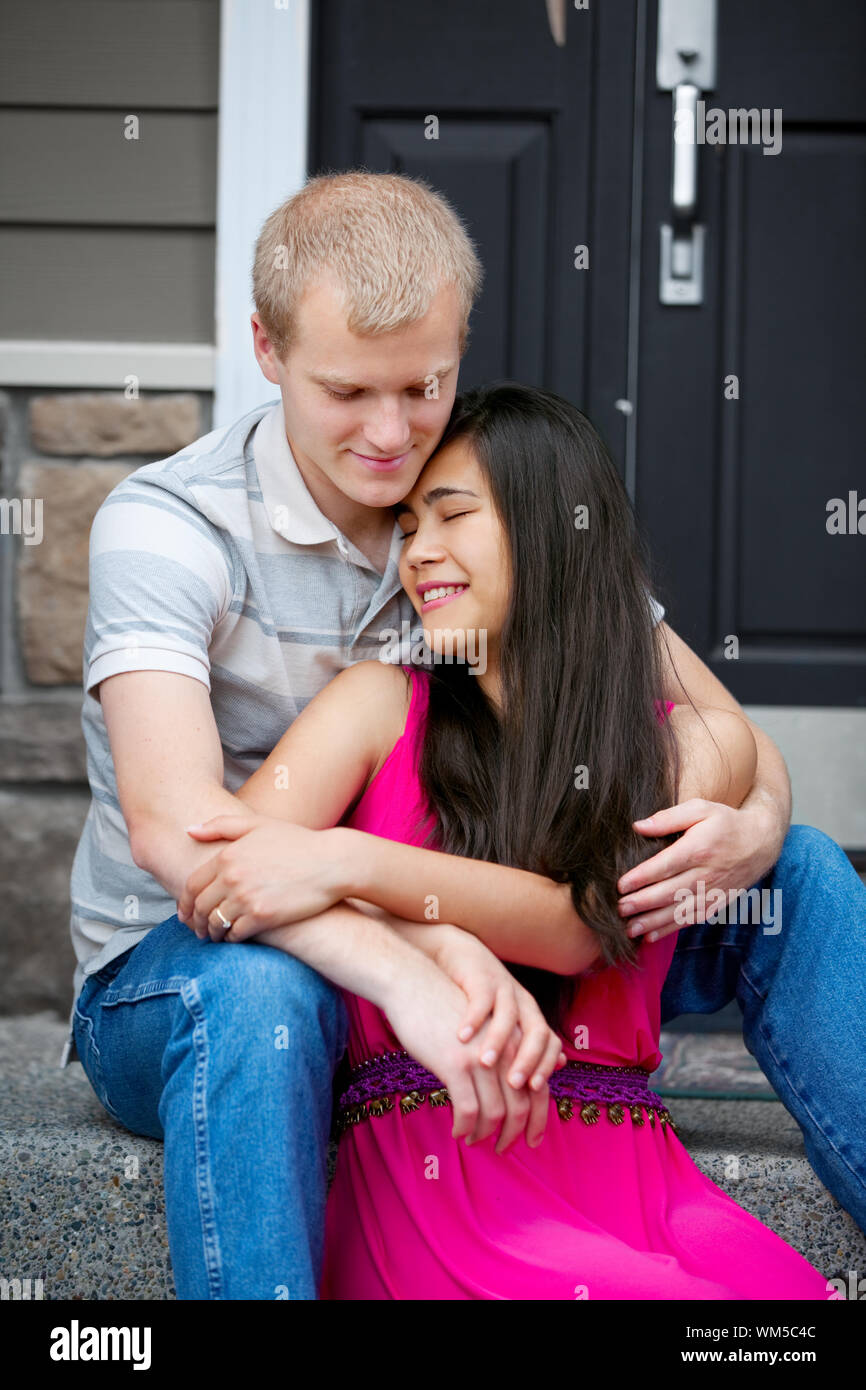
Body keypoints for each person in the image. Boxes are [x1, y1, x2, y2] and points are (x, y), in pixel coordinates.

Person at [66, 171, 866, 1301]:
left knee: (805, 875)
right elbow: (188, 841)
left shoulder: (481, 506)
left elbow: (706, 721)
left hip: (511, 931)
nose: (389, 435)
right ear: (264, 347)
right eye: (347, 390)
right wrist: (415, 963)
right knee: (260, 996)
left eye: (422, 385)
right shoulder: (171, 528)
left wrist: (752, 821)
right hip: (201, 967)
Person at [177, 382, 830, 1298]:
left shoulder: (695, 742)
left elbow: (580, 924)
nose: (420, 553)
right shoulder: (375, 706)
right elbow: (227, 871)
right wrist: (397, 921)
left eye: (452, 516)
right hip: (453, 1185)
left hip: (644, 1185)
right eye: (408, 527)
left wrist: (343, 861)